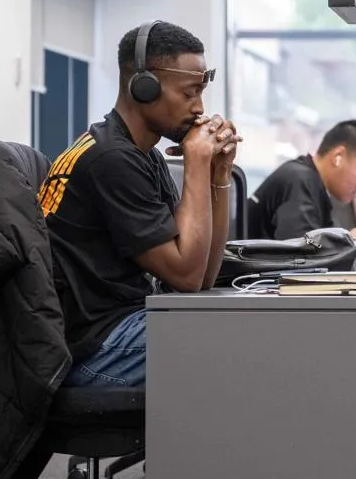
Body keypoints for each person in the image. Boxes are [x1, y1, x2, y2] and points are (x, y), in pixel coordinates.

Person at [39, 21, 240, 388]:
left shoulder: (141, 155)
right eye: (189, 93)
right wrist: (195, 163)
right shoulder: (110, 159)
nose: (200, 109)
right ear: (142, 88)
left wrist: (217, 175)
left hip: (120, 327)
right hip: (93, 347)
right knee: (242, 340)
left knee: (245, 326)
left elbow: (203, 275)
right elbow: (187, 276)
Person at [248, 119, 356, 240]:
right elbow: (303, 253)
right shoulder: (299, 180)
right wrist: (348, 241)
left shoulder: (315, 186)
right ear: (338, 156)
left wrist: (348, 240)